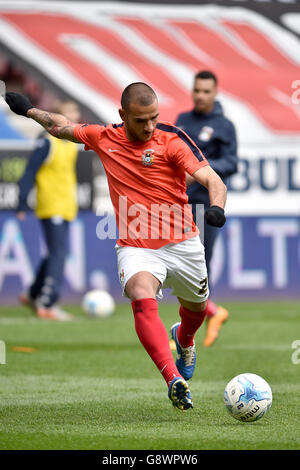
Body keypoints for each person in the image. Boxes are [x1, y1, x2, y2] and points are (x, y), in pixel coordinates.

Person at [5, 84, 227, 411]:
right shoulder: (105, 137)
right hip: (136, 244)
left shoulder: (172, 139)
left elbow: (213, 180)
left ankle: (185, 339)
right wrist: (27, 110)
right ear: (123, 115)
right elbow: (59, 126)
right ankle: (173, 380)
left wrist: (217, 208)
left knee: (196, 309)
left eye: (154, 118)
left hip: (183, 241)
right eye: (141, 120)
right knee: (140, 292)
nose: (149, 126)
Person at [175, 70, 238, 347]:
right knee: (174, 262)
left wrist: (202, 172)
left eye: (205, 91)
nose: (200, 95)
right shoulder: (182, 121)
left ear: (215, 93)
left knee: (198, 264)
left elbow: (232, 163)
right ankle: (212, 312)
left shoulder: (224, 125)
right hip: (178, 201)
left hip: (206, 204)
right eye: (196, 90)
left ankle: (190, 332)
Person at [16, 100, 81, 321]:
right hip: (51, 204)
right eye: (68, 114)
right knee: (59, 253)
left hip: (66, 206)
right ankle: (47, 302)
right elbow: (29, 171)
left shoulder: (70, 144)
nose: (73, 118)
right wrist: (22, 200)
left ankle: (33, 293)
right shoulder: (46, 143)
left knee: (54, 251)